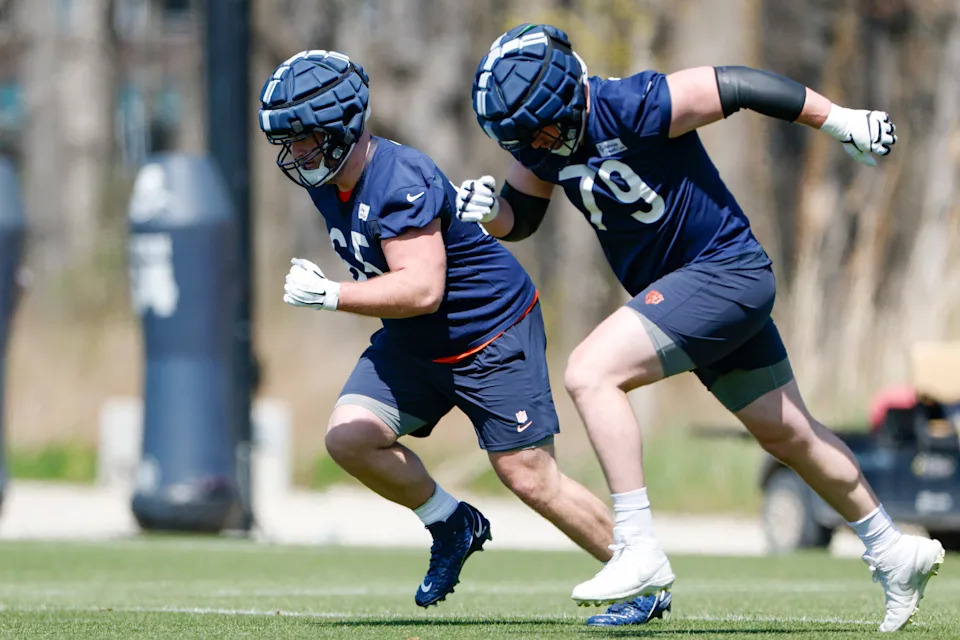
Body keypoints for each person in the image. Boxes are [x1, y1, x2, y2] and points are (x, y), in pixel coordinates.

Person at [458, 24, 944, 632]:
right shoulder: (544, 143)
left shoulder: (632, 103)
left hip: (725, 274)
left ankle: (637, 547)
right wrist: (492, 214)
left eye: (540, 129)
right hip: (700, 293)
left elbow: (739, 85)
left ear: (568, 95)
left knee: (590, 372)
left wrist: (840, 120)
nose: (536, 144)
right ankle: (894, 553)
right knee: (788, 432)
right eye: (524, 136)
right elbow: (524, 216)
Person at [257, 49, 669, 622]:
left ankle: (641, 576)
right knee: (350, 437)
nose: (295, 153)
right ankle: (451, 524)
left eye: (303, 138)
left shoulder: (399, 178)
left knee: (529, 475)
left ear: (341, 128)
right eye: (288, 140)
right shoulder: (328, 180)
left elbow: (422, 288)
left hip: (488, 333)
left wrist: (331, 295)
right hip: (417, 340)